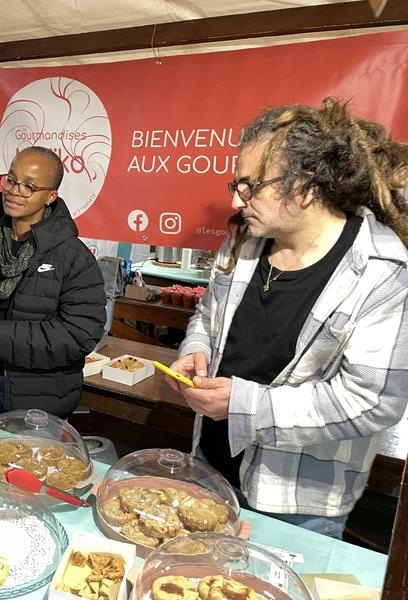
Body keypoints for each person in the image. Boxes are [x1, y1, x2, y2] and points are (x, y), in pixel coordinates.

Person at [165, 97, 408, 538]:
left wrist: (244, 407)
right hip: (212, 464)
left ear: (304, 186)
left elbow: (374, 401)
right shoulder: (246, 242)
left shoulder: (382, 270)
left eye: (251, 185)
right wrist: (195, 348)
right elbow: (207, 315)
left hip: (296, 500)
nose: (238, 200)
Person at [0, 146, 106, 421]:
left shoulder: (72, 256)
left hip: (39, 394)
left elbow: (81, 333)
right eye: (11, 180)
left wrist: (3, 336)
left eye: (29, 186)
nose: (15, 191)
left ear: (51, 196)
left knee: (28, 464)